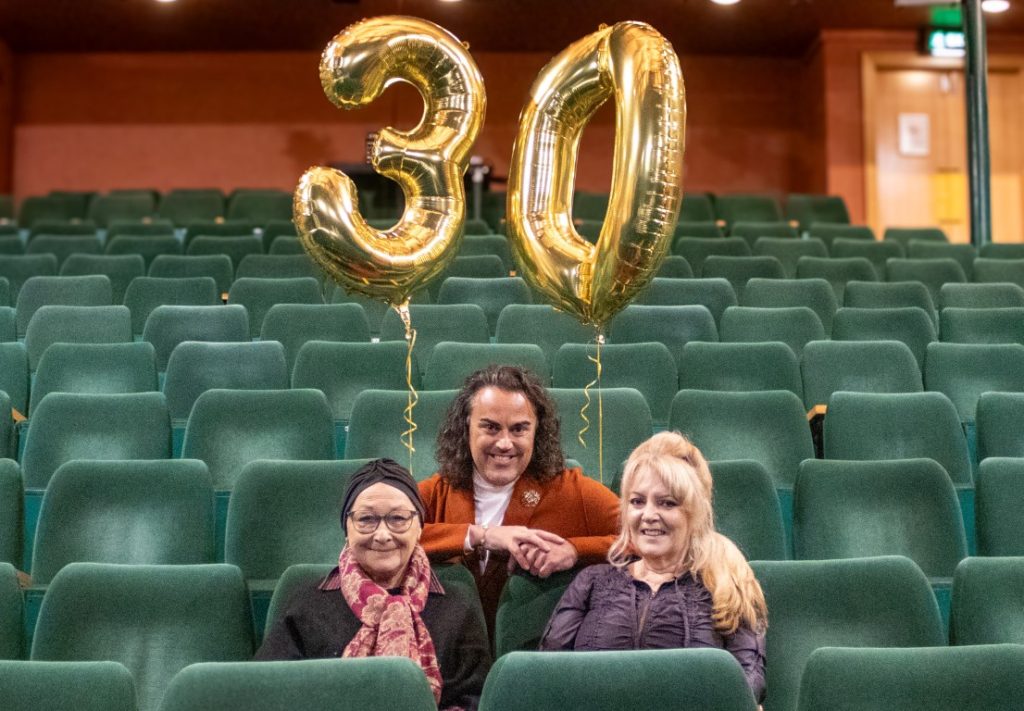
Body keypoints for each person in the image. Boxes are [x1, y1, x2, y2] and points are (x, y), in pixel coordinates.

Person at [539, 431, 767, 703]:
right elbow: (547, 675)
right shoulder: (592, 581)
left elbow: (748, 685)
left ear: (695, 513)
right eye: (637, 502)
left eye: (667, 503)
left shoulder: (727, 583)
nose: (648, 515)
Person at [256, 458, 491, 711]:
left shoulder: (457, 606)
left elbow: (478, 700)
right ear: (347, 528)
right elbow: (269, 693)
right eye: (366, 519)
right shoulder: (307, 603)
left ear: (419, 528)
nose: (382, 535)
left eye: (398, 518)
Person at [418, 365, 620, 635]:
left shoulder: (573, 490)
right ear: (466, 426)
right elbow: (376, 538)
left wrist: (576, 551)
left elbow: (649, 541)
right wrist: (480, 535)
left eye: (519, 429)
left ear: (537, 431)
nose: (504, 443)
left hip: (536, 654)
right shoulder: (437, 491)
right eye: (491, 427)